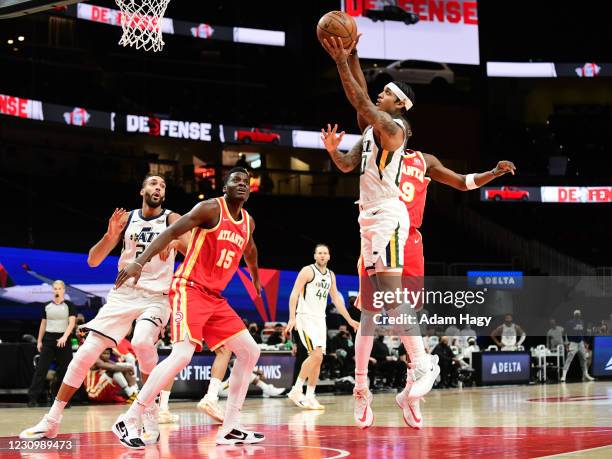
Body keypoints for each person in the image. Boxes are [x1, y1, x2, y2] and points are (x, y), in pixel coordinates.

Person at [322, 33, 516, 429]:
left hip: (401, 228)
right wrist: (352, 52)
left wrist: (492, 174)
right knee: (372, 316)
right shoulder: (372, 135)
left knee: (398, 304)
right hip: (370, 223)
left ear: (401, 115)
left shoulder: (406, 144)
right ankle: (365, 388)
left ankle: (421, 368)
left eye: (388, 93)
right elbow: (360, 99)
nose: (380, 95)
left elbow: (461, 182)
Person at [20, 175, 188, 441]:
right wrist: (110, 236)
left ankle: (149, 413)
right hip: (123, 294)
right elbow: (93, 260)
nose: (158, 188)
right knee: (85, 353)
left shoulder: (172, 219)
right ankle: (52, 420)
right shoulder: (128, 219)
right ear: (142, 190)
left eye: (163, 186)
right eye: (154, 183)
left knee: (143, 342)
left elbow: (190, 247)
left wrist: (173, 242)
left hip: (156, 296)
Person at [112, 167, 265, 448]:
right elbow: (171, 231)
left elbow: (250, 250)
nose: (242, 184)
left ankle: (230, 427)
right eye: (236, 180)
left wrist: (256, 278)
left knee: (250, 351)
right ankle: (130, 418)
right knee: (182, 355)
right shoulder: (209, 208)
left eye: (246, 182)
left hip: (214, 297)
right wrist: (140, 261)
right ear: (225, 186)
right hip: (190, 288)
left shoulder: (248, 222)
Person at [285, 244, 359, 410]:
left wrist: (349, 320)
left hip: (320, 320)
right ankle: (296, 390)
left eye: (325, 253)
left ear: (329, 256)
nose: (323, 255)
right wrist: (291, 317)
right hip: (305, 318)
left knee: (319, 360)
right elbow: (294, 294)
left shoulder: (331, 275)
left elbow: (337, 300)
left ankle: (310, 396)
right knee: (316, 355)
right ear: (315, 256)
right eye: (320, 253)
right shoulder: (307, 271)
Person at [27, 280, 76, 407]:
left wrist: (65, 337)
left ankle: (63, 400)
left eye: (59, 288)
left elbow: (71, 323)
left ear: (64, 290)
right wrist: (39, 340)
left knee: (65, 371)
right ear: (52, 290)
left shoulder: (69, 305)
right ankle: (32, 398)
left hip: (63, 340)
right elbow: (43, 324)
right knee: (41, 369)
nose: (57, 291)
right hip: (49, 339)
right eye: (55, 288)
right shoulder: (47, 306)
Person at [197, 346, 233, 423]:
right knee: (225, 350)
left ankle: (163, 408)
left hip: (223, 388)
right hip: (223, 388)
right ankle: (211, 399)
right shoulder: (230, 360)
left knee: (183, 356)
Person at [561, 309, 595, 382]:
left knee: (584, 359)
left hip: (581, 343)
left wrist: (585, 342)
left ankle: (586, 375)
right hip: (573, 343)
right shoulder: (569, 323)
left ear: (580, 315)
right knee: (569, 359)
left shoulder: (582, 322)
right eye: (576, 314)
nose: (578, 315)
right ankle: (563, 376)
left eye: (579, 314)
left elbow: (582, 333)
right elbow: (564, 333)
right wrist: (566, 343)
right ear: (574, 315)